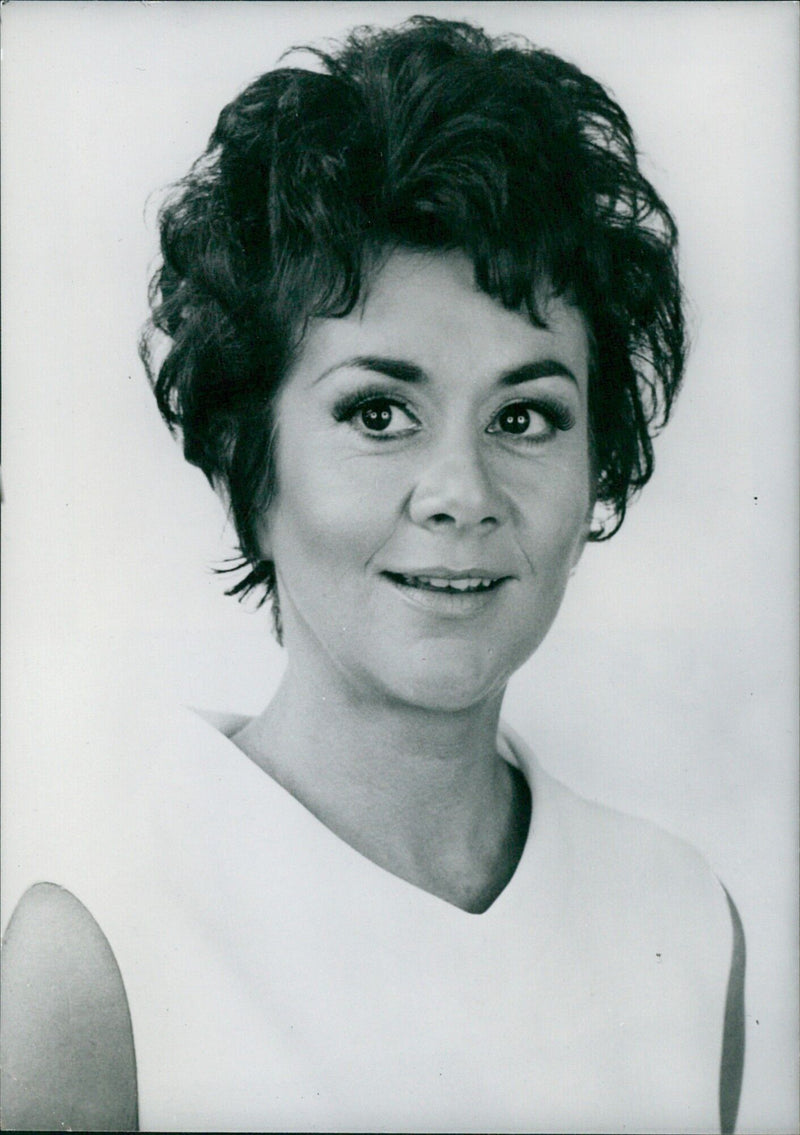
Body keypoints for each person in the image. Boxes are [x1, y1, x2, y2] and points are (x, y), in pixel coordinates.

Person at [1, 16, 745, 1133]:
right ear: (250, 456)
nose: (461, 489)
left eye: (525, 414)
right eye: (378, 411)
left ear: (599, 462)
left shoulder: (683, 920)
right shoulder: (97, 950)